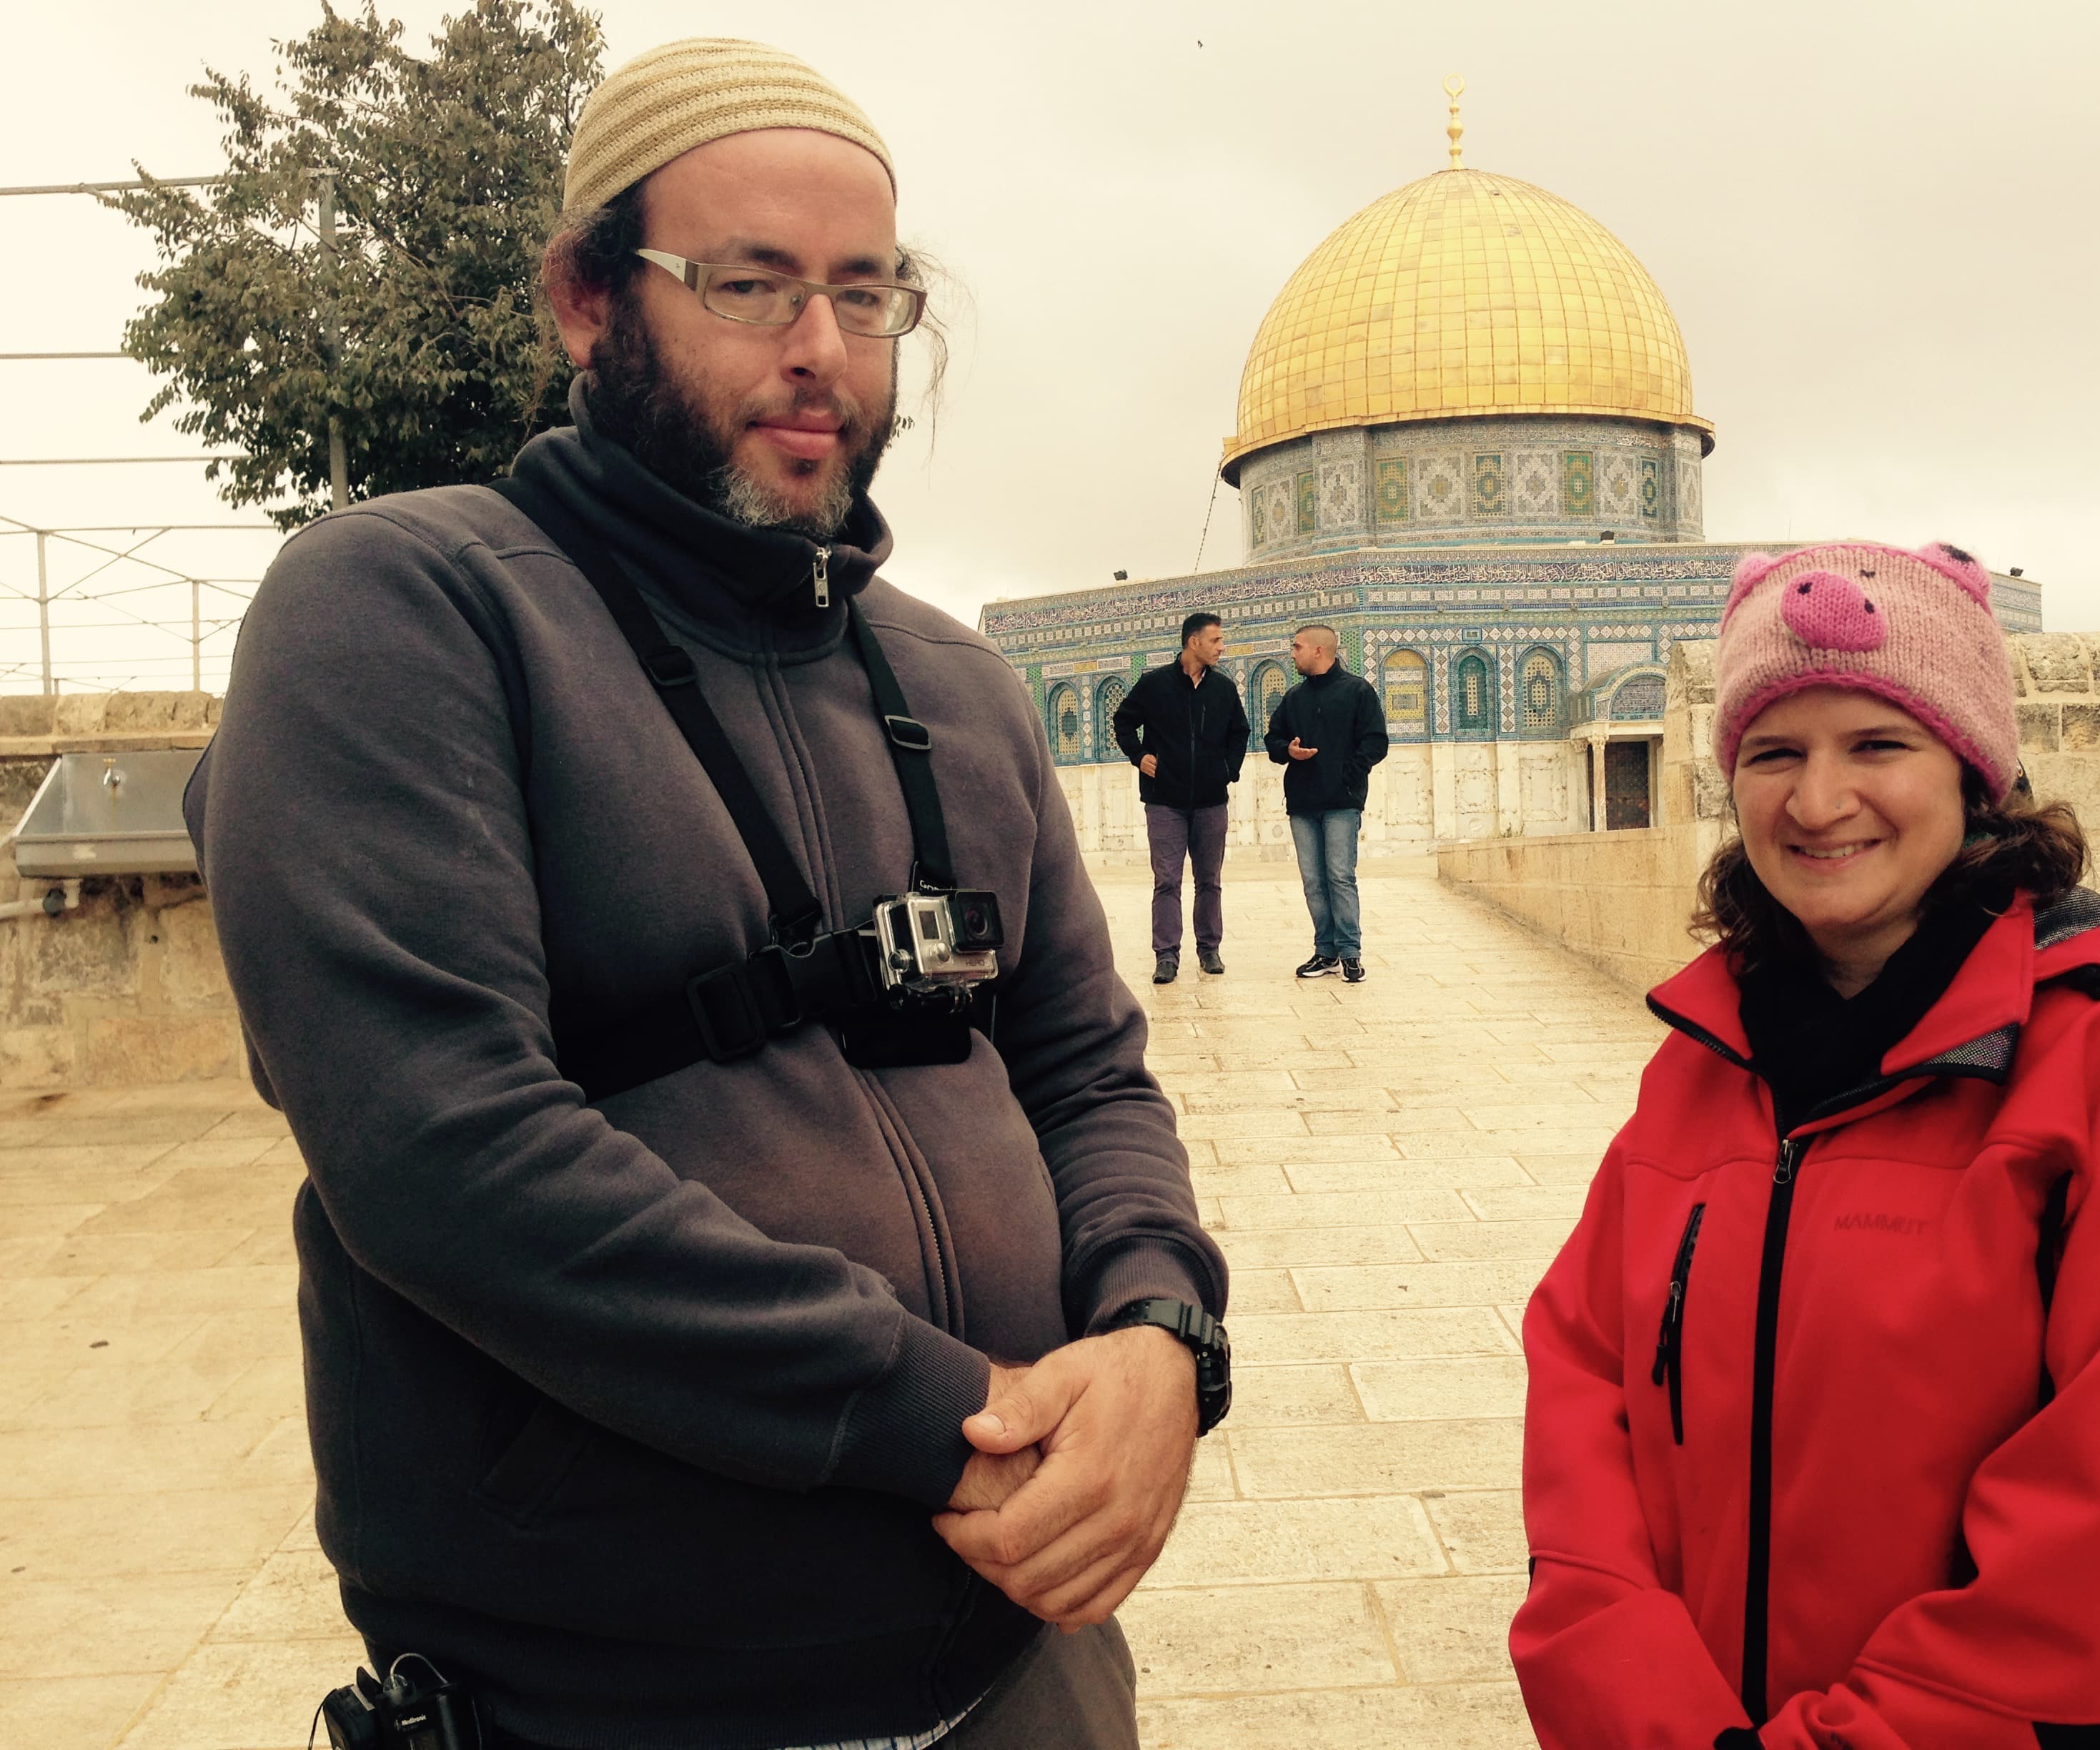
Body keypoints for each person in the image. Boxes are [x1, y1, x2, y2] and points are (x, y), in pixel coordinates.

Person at [183, 39, 1230, 1750]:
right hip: (611, 1694)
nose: (821, 351)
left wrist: (1160, 1329)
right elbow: (443, 1147)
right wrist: (950, 1413)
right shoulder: (408, 612)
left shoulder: (954, 684)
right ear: (592, 299)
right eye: (748, 285)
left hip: (1023, 1672)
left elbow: (1087, 1069)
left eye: (866, 293)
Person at [1509, 541, 2100, 1746]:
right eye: (1773, 753)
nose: (1816, 802)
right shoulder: (1707, 1059)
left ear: (1972, 771)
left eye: (1875, 745)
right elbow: (1583, 1400)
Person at [1111, 611, 1249, 984]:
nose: (1222, 647)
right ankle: (1167, 955)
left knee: (1209, 879)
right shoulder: (1154, 685)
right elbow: (1122, 721)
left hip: (1210, 801)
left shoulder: (1222, 689)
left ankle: (1209, 950)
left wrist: (1228, 770)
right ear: (1194, 642)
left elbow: (1240, 732)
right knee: (1167, 880)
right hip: (1164, 801)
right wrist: (1139, 756)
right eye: (1216, 640)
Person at [1265, 623, 1387, 983]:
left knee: (1339, 876)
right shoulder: (1294, 698)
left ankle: (1350, 952)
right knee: (1313, 880)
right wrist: (1287, 750)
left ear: (1319, 651)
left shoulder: (1357, 692)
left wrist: (1346, 774)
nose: (1292, 654)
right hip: (1303, 803)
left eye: (1297, 647)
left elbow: (1376, 742)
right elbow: (1273, 738)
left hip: (1341, 802)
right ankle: (1326, 951)